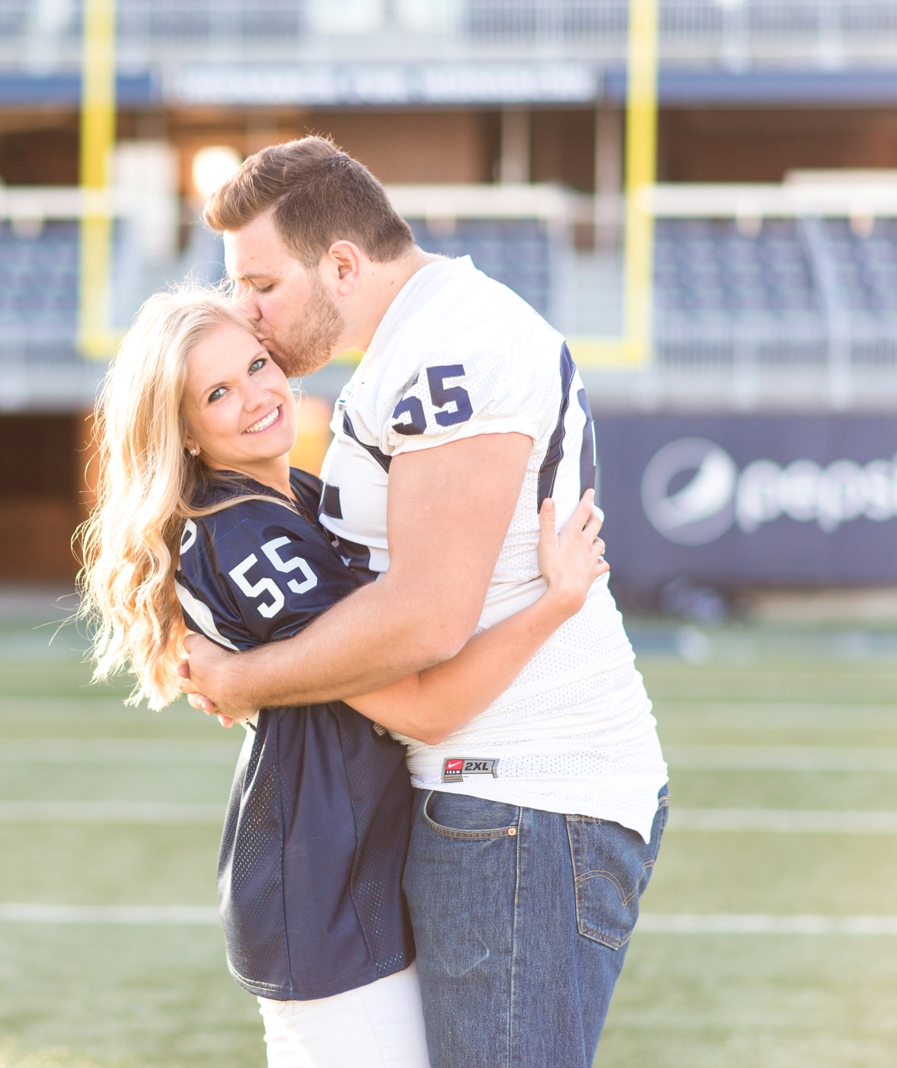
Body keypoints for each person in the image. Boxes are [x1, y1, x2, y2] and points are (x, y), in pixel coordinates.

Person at [178, 136, 669, 1068]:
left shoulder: (457, 346)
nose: (249, 314)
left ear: (343, 263)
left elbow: (427, 618)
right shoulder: (420, 340)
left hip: (524, 793)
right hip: (492, 792)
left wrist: (246, 676)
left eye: (263, 285)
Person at [78, 287, 610, 1068]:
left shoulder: (289, 494)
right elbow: (424, 706)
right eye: (217, 393)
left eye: (257, 366)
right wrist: (553, 603)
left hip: (354, 861)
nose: (257, 396)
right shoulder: (245, 532)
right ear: (183, 431)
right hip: (325, 883)